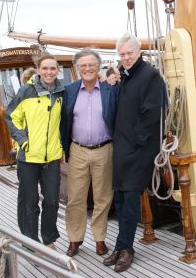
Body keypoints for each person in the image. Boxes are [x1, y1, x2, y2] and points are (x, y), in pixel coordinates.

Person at [103, 33, 165, 272]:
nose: (126, 57)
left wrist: (136, 142)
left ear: (139, 52)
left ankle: (127, 249)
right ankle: (120, 246)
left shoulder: (150, 76)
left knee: (130, 198)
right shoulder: (124, 76)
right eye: (122, 54)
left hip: (139, 148)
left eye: (130, 53)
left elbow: (152, 113)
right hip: (122, 146)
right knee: (119, 197)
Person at [60, 48, 118, 257]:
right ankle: (75, 239)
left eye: (91, 65)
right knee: (75, 197)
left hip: (104, 149)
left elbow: (127, 78)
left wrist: (113, 73)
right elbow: (62, 121)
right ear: (77, 69)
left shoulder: (110, 88)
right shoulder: (69, 90)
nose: (87, 68)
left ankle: (100, 239)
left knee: (103, 197)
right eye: (83, 65)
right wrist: (62, 148)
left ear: (98, 66)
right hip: (78, 150)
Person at [5, 54, 64, 250]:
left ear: (57, 71)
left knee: (53, 201)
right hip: (28, 156)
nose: (49, 72)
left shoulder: (61, 93)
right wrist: (23, 141)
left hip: (52, 157)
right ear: (38, 70)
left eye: (53, 68)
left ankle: (49, 238)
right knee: (29, 203)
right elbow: (12, 117)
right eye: (45, 68)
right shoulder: (26, 91)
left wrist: (62, 146)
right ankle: (31, 242)